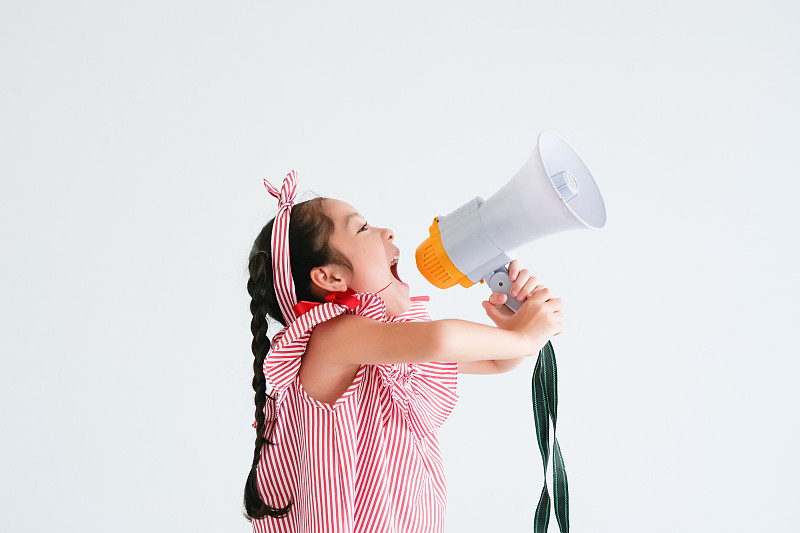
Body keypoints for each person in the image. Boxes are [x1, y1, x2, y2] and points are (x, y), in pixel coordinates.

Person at [244, 171, 564, 532]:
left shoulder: (384, 354)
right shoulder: (331, 339)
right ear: (331, 278)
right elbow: (441, 339)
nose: (388, 232)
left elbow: (494, 361)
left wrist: (512, 333)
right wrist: (524, 336)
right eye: (362, 229)